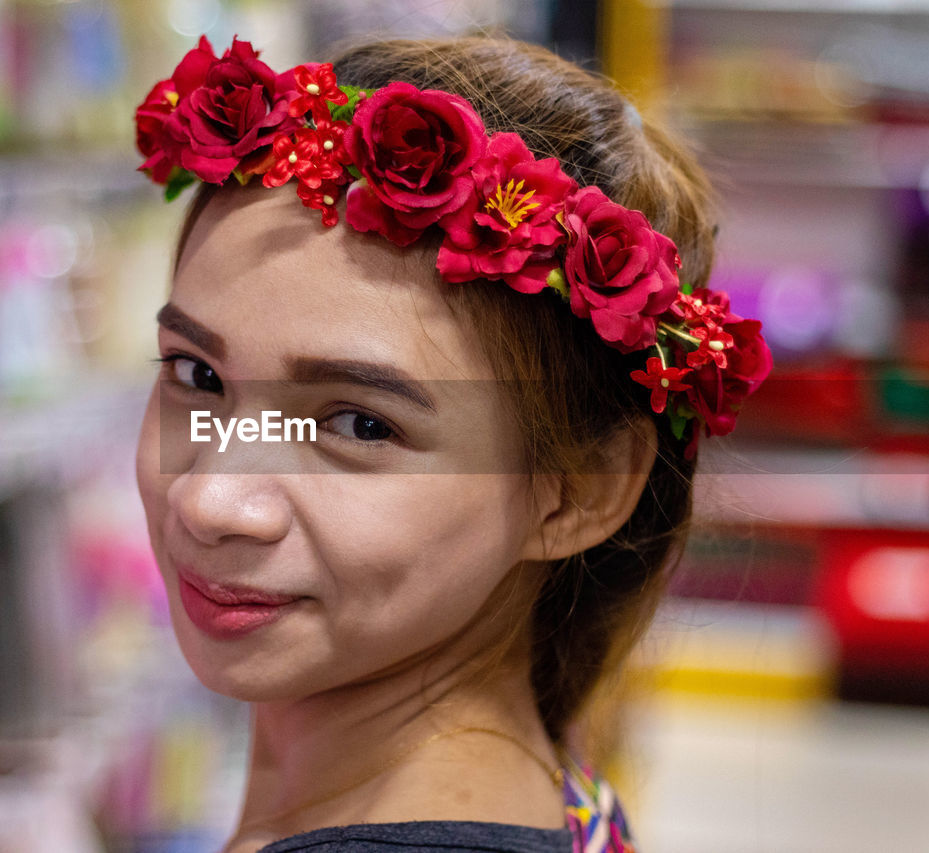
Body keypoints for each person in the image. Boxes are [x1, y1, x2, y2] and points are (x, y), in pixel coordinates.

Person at [132, 35, 771, 853]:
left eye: (360, 424)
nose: (208, 498)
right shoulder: (547, 787)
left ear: (582, 488)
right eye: (197, 374)